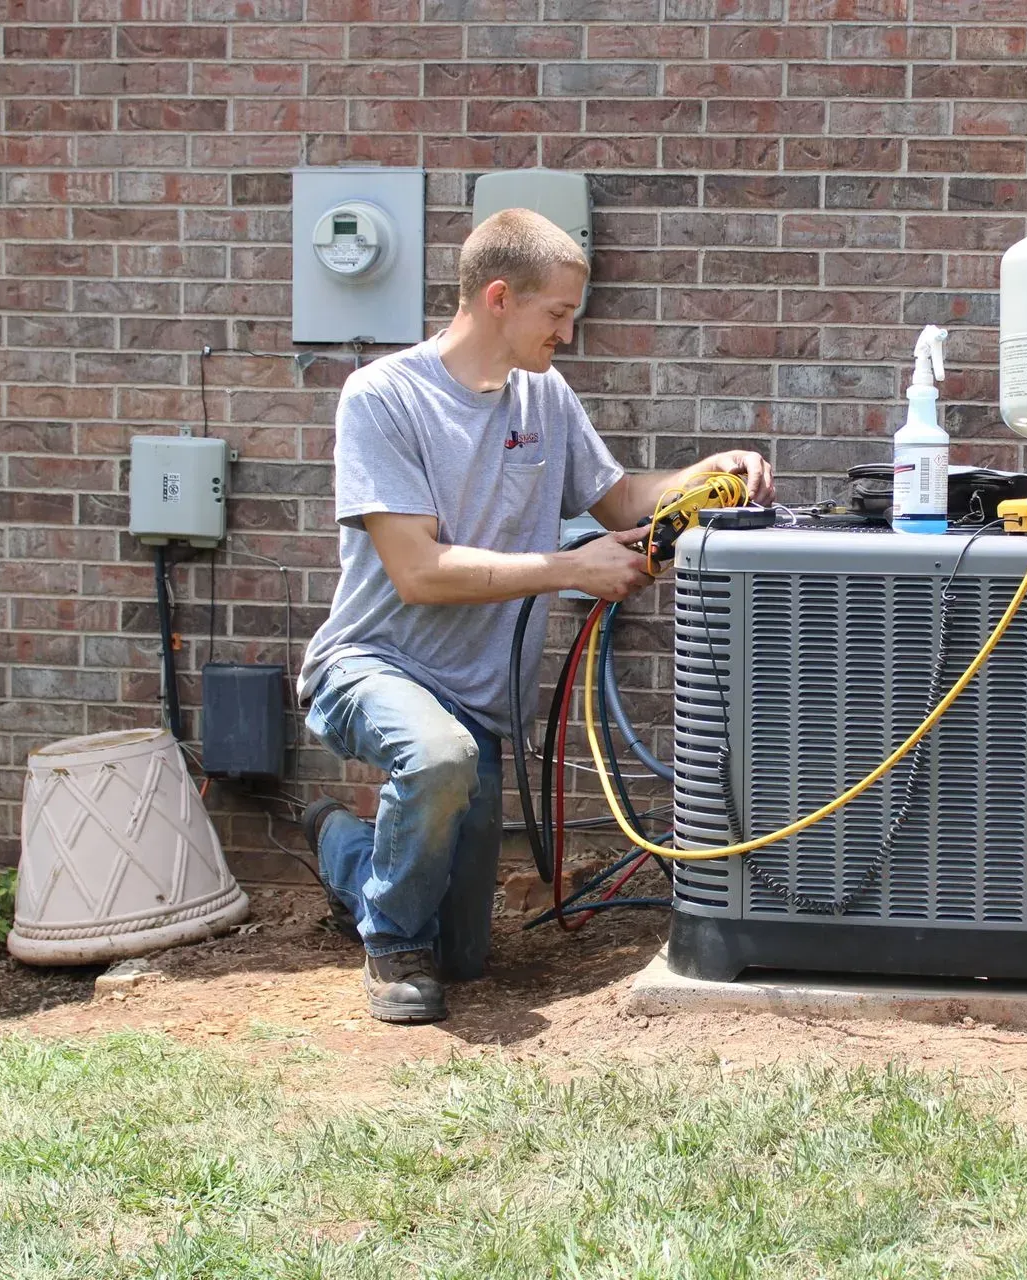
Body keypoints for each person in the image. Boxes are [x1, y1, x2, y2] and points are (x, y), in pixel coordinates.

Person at [297, 208, 773, 1025]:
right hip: (370, 665)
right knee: (437, 762)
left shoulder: (543, 397)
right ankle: (388, 942)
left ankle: (345, 849)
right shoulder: (384, 399)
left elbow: (618, 499)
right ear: (497, 299)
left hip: (475, 698)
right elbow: (416, 572)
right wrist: (568, 566)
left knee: (464, 958)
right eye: (556, 314)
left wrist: (706, 472)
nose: (567, 334)